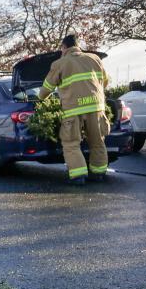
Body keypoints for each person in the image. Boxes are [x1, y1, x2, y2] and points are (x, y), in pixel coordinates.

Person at [37, 33, 110, 185]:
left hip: (73, 110)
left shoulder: (60, 64)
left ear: (64, 47)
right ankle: (99, 173)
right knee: (97, 141)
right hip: (96, 108)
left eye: (61, 49)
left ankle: (78, 176)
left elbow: (46, 89)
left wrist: (40, 100)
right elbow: (105, 81)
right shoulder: (95, 59)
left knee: (71, 143)